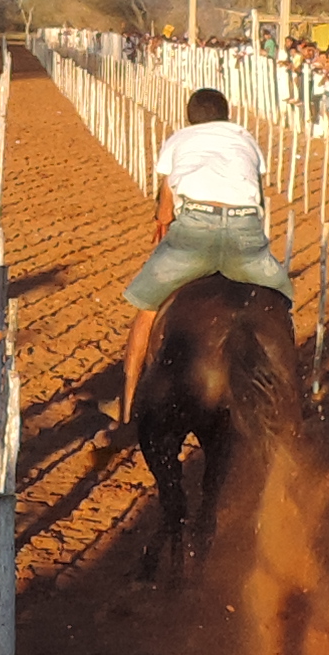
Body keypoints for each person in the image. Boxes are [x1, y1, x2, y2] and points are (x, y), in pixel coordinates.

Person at [105, 87, 297, 431]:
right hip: (245, 232)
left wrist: (162, 222)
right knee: (281, 302)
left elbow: (166, 203)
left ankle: (128, 410)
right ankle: (293, 399)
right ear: (226, 115)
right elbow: (257, 195)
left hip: (195, 229)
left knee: (147, 309)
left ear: (189, 117)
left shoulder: (179, 139)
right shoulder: (246, 139)